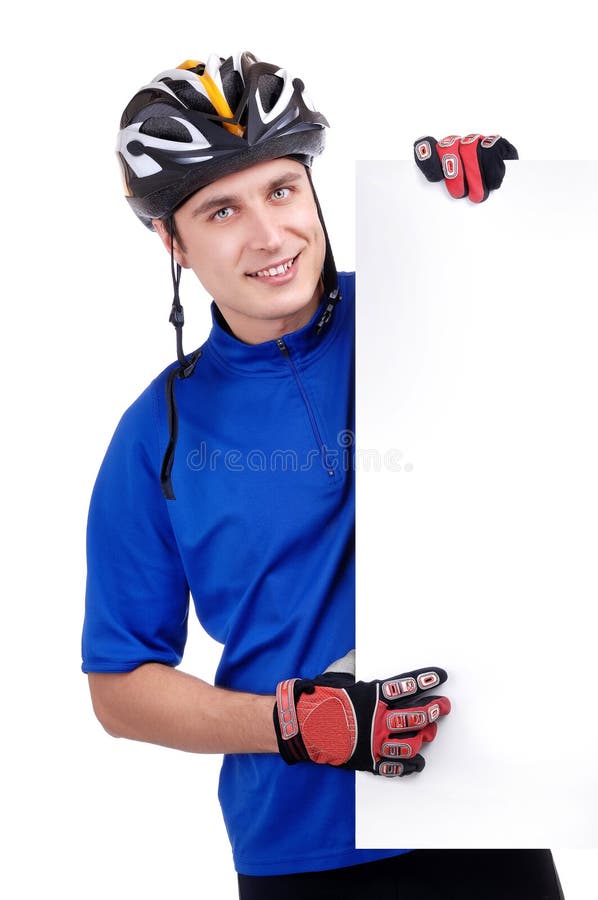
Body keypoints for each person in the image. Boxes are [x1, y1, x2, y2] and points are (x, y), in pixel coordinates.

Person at [82, 52, 564, 899]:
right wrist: (296, 723)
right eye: (221, 209)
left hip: (485, 809)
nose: (269, 236)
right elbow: (119, 688)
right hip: (300, 849)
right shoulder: (153, 435)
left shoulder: (436, 307)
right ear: (172, 240)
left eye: (281, 190)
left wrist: (490, 222)